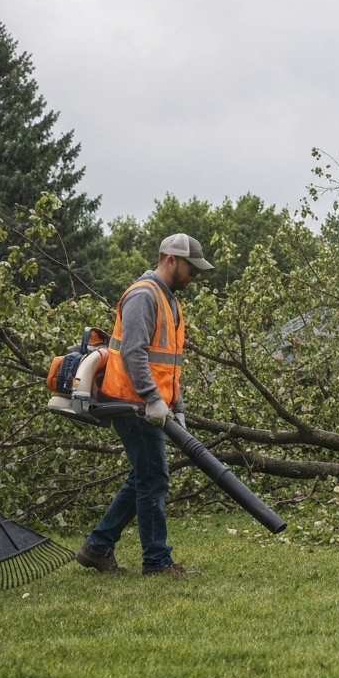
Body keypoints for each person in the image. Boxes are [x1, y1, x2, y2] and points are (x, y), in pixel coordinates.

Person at [76, 234, 212, 576]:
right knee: (153, 477)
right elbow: (135, 353)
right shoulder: (143, 295)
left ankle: (97, 545)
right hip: (131, 402)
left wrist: (176, 405)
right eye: (190, 267)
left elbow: (168, 362)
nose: (194, 275)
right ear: (170, 259)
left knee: (144, 476)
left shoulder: (168, 300)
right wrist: (153, 399)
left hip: (147, 402)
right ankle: (157, 560)